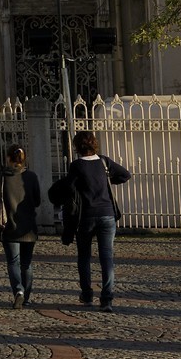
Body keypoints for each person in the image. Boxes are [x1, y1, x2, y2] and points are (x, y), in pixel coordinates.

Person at [67, 130, 132, 311]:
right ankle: (107, 298)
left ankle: (87, 294)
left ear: (77, 147)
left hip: (86, 215)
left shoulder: (76, 166)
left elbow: (69, 189)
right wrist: (108, 180)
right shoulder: (104, 162)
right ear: (94, 144)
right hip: (107, 213)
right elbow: (125, 175)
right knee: (106, 257)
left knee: (84, 257)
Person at [0, 144, 42, 308]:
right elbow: (37, 201)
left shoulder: (2, 176)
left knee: (13, 262)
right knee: (26, 263)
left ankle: (18, 291)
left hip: (9, 225)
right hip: (29, 226)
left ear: (8, 158)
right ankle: (26, 297)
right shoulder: (32, 176)